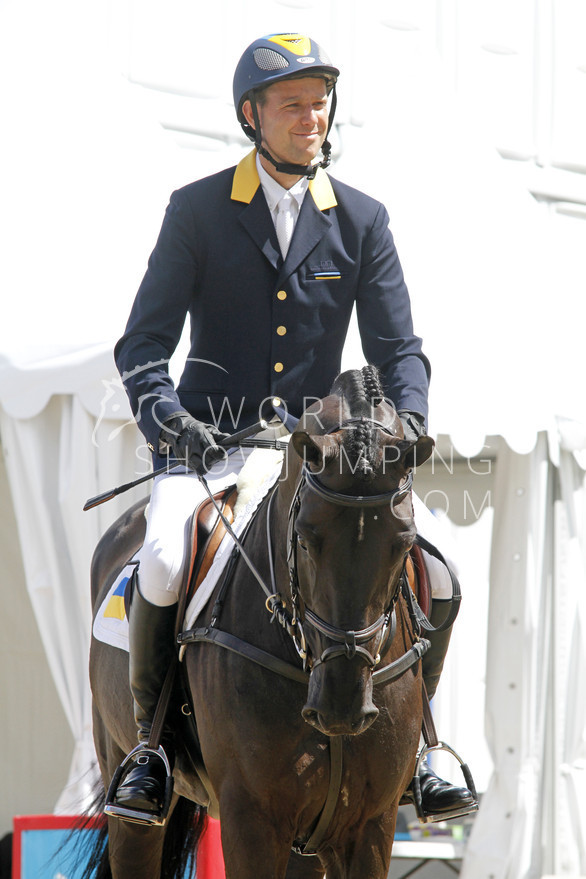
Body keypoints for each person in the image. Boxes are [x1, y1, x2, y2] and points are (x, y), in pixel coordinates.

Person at [108, 32, 477, 825]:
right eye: (293, 104)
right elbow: (141, 345)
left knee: (440, 567)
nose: (311, 118)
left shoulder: (361, 221)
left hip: (321, 456)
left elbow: (399, 347)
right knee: (167, 557)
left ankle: (423, 748)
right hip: (210, 447)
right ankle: (151, 746)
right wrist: (170, 419)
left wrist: (408, 420)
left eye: (319, 102)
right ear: (252, 114)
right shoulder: (199, 209)